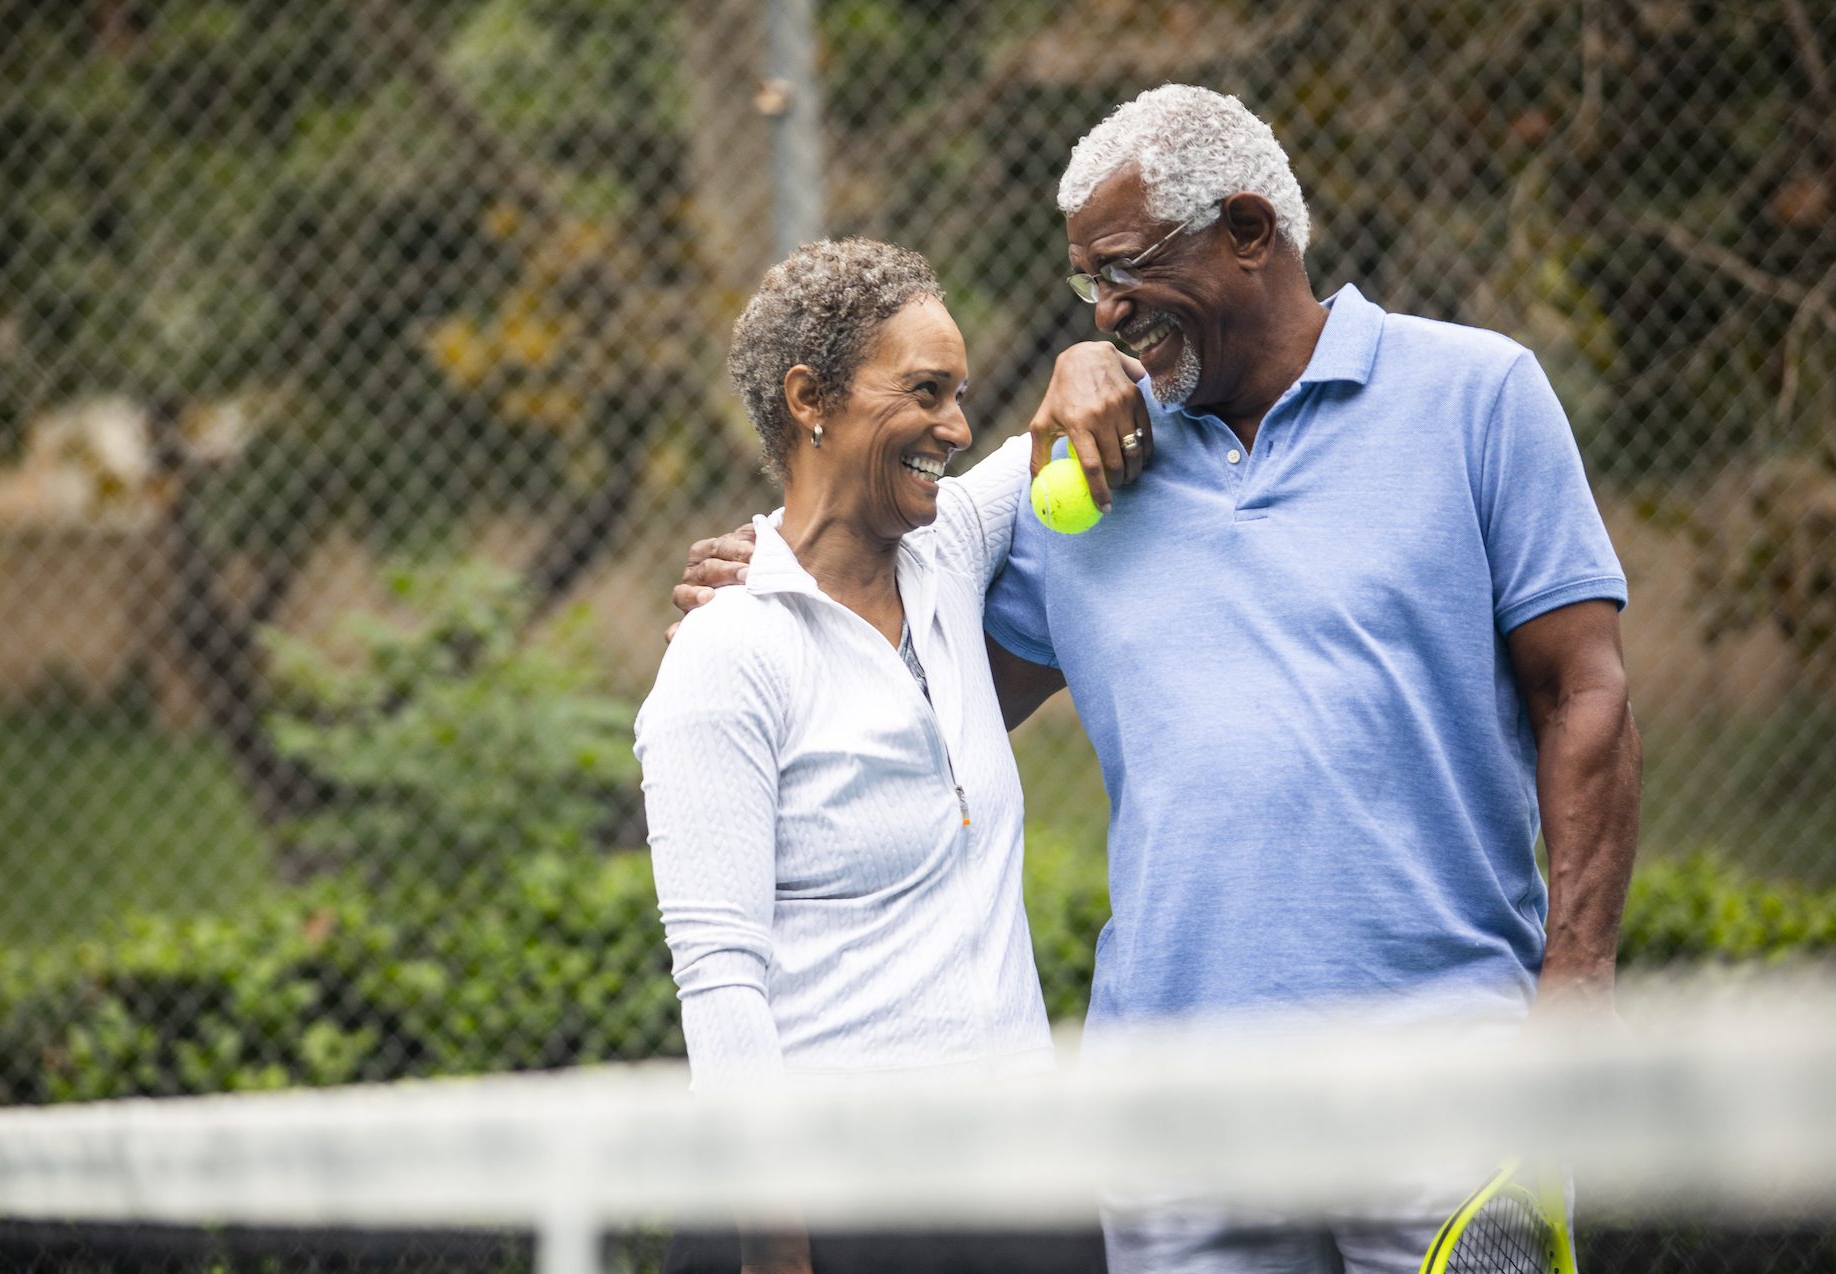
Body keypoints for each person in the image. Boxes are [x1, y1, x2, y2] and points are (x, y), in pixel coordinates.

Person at [669, 84, 1641, 1274]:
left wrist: (1577, 983)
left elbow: (1582, 696)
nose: (1107, 309)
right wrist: (768, 593)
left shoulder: (1476, 396)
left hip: (1445, 1082)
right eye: (1088, 288)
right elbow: (904, 673)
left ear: (1246, 231)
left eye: (1123, 269)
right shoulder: (1085, 479)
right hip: (1170, 1122)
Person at [635, 238, 1118, 1274]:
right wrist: (776, 1248)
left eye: (960, 393)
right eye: (925, 392)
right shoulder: (727, 655)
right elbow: (721, 987)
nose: (954, 426)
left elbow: (1062, 430)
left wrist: (1087, 361)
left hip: (1020, 1183)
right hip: (836, 1206)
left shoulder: (948, 549)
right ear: (809, 396)